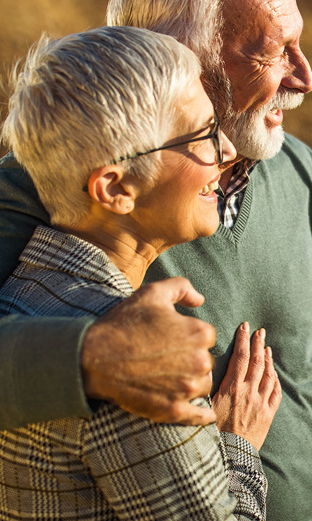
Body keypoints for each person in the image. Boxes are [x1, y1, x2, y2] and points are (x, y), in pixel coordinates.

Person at [0, 0, 312, 521]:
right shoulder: (51, 188)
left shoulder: (297, 167)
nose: (306, 78)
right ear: (180, 58)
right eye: (273, 52)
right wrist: (88, 355)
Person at [0, 26, 281, 520]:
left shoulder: (23, 294)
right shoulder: (139, 365)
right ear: (115, 188)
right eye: (203, 135)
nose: (229, 151)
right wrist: (237, 444)